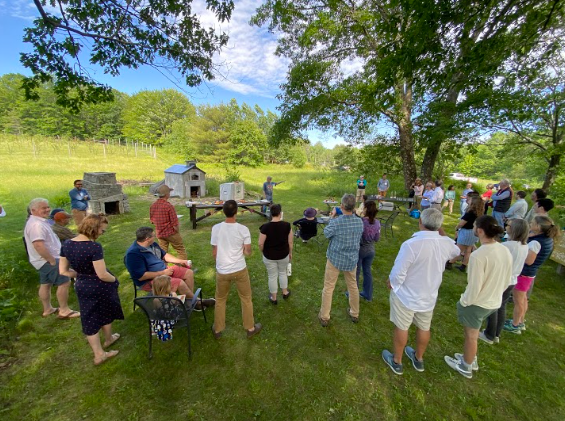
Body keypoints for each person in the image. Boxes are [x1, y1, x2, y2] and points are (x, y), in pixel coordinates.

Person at [382, 209, 460, 375]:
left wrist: (393, 284)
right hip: (429, 295)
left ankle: (397, 360)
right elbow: (457, 251)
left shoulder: (411, 245)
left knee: (402, 326)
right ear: (439, 227)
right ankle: (419, 358)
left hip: (406, 295)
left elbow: (398, 272)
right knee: (424, 327)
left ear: (420, 223)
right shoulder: (445, 243)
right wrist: (442, 234)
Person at [444, 215, 513, 379]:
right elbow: (508, 277)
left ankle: (466, 366)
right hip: (494, 300)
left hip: (478, 303)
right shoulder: (504, 249)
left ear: (480, 231)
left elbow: (474, 286)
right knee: (473, 335)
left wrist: (464, 302)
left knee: (471, 336)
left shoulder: (478, 256)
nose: (473, 228)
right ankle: (470, 358)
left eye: (475, 226)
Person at [59, 214, 124, 366]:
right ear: (94, 229)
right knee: (105, 311)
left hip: (82, 285)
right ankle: (108, 340)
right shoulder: (94, 247)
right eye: (102, 230)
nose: (103, 233)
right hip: (99, 286)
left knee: (89, 317)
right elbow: (102, 274)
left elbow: (63, 271)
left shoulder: (67, 244)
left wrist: (80, 274)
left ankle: (99, 352)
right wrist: (114, 279)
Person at [125, 227, 213, 308]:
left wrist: (181, 261)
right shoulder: (133, 254)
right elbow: (141, 277)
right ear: (147, 239)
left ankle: (189, 302)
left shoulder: (153, 245)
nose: (155, 237)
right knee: (179, 283)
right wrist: (163, 273)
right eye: (153, 236)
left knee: (188, 273)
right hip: (150, 281)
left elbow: (164, 255)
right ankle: (196, 302)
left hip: (164, 270)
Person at [211, 200, 262, 339]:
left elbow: (214, 253)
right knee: (246, 298)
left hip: (222, 270)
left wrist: (221, 263)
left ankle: (218, 329)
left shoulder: (216, 228)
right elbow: (248, 252)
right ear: (236, 211)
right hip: (240, 269)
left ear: (223, 211)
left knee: (220, 299)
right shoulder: (243, 229)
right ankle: (250, 328)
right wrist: (245, 250)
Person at [23, 198, 81, 319]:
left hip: (41, 261)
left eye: (47, 207)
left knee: (46, 284)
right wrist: (52, 260)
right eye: (43, 208)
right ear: (33, 210)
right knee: (64, 282)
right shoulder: (36, 225)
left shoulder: (38, 221)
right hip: (48, 259)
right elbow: (38, 245)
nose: (47, 209)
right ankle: (64, 310)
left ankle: (47, 309)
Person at [504, 215, 559, 334]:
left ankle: (515, 325)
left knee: (518, 301)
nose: (530, 224)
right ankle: (520, 321)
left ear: (538, 227)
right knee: (523, 299)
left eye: (532, 223)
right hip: (530, 274)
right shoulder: (546, 239)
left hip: (524, 274)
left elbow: (529, 260)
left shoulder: (535, 243)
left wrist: (519, 253)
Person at [480, 219, 529, 344]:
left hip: (502, 279)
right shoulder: (524, 246)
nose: (506, 226)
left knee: (492, 306)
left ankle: (489, 334)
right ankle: (496, 334)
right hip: (512, 280)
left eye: (509, 225)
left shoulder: (507, 246)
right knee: (501, 306)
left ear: (514, 229)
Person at [318, 194, 364, 327]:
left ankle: (325, 316)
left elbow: (326, 233)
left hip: (335, 258)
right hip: (351, 259)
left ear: (342, 206)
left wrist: (332, 217)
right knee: (353, 286)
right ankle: (355, 313)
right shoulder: (359, 221)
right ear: (354, 207)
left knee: (328, 287)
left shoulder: (337, 222)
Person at [259, 204, 293, 304]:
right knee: (283, 273)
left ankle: (274, 298)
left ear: (270, 213)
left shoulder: (265, 227)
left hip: (269, 256)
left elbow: (260, 243)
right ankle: (285, 292)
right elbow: (290, 242)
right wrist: (290, 252)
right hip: (283, 255)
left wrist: (263, 252)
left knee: (272, 276)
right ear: (280, 213)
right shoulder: (287, 225)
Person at [446, 195, 484, 272]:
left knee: (458, 249)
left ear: (473, 203)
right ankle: (464, 265)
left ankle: (450, 263)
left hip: (466, 232)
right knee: (468, 250)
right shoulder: (480, 213)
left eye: (470, 200)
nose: (468, 201)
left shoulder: (470, 212)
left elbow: (462, 223)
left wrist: (457, 227)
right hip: (474, 232)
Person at [149, 184, 187, 260]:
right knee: (180, 249)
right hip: (171, 233)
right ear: (167, 194)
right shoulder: (169, 206)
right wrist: (177, 232)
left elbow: (152, 221)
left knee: (163, 252)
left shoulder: (153, 206)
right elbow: (174, 223)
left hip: (160, 233)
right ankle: (184, 269)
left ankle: (163, 269)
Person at [356, 200, 381, 302]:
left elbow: (357, 237)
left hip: (360, 249)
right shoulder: (377, 223)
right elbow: (377, 238)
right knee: (367, 272)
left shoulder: (361, 222)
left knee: (356, 273)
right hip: (371, 250)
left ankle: (353, 294)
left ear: (365, 209)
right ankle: (368, 294)